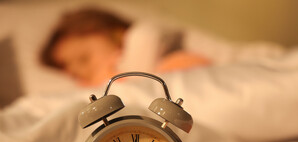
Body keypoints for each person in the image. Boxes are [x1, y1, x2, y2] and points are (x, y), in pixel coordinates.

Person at [41, 8, 210, 87]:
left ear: (116, 33)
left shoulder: (139, 39)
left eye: (84, 58)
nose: (78, 71)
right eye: (73, 73)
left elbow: (145, 36)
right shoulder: (94, 84)